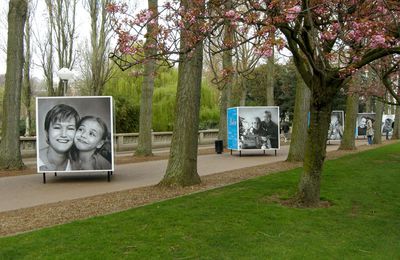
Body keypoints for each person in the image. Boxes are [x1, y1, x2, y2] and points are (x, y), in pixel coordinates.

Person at [38, 104, 80, 171]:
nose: (63, 134)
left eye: (70, 128)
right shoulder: (38, 160)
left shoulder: (78, 165)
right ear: (47, 133)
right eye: (57, 127)